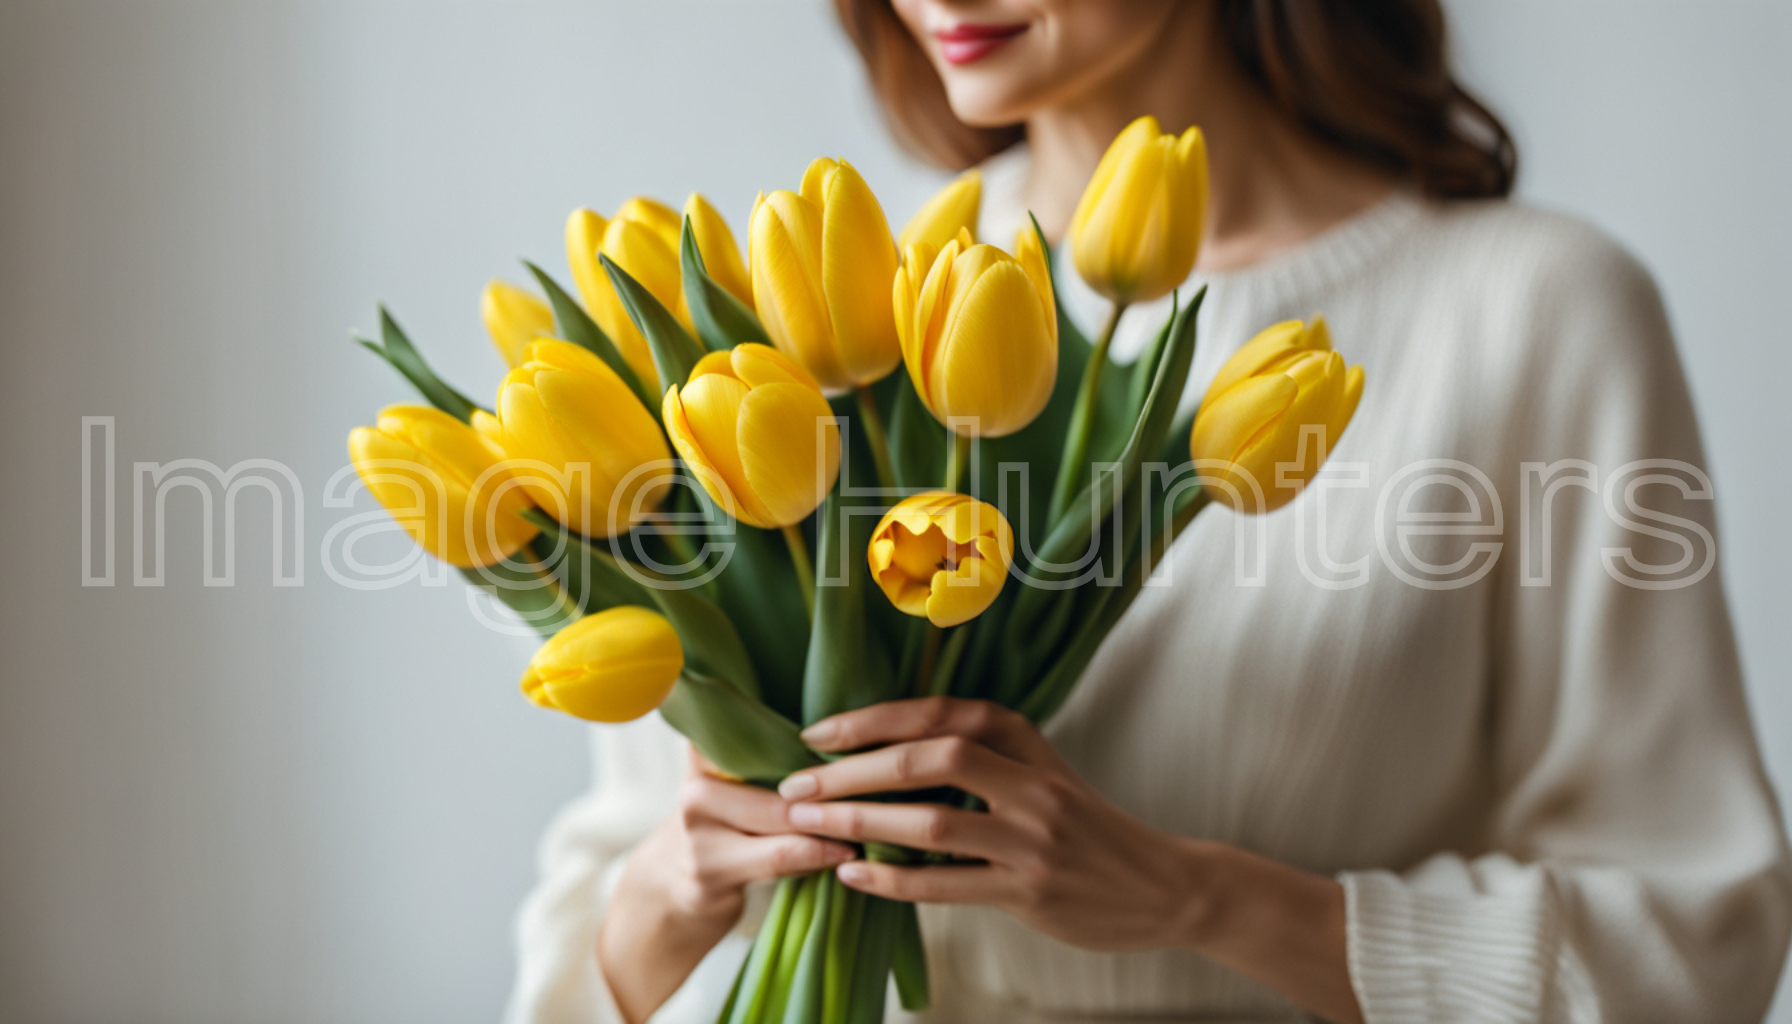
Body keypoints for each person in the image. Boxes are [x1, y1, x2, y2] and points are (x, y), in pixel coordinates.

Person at [507, 2, 1792, 1022]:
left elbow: (1694, 935)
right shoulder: (819, 319)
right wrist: (676, 894)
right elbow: (593, 939)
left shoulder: (1535, 314)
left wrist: (1197, 898)